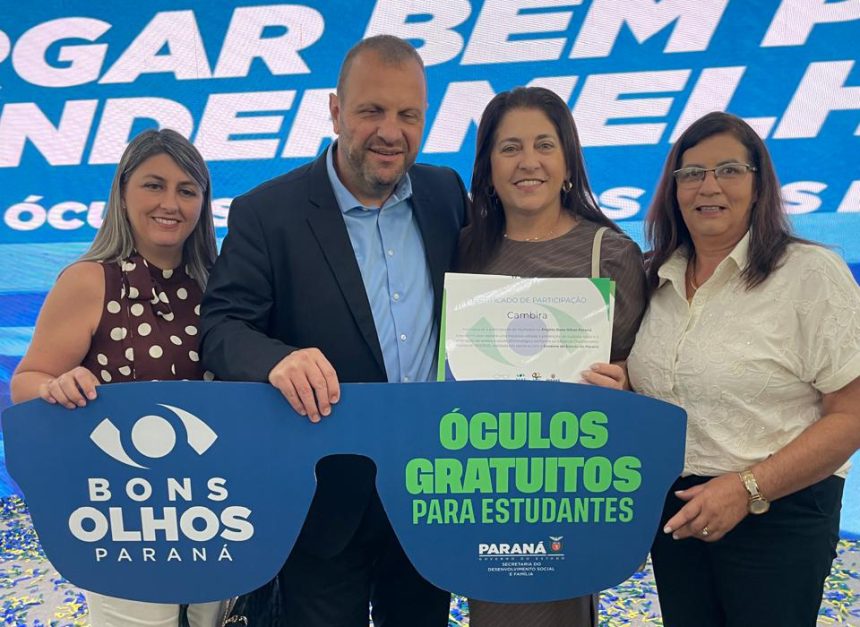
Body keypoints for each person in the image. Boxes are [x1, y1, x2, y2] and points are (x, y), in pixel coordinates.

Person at [199, 35, 469, 626]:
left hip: (432, 490)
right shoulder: (267, 212)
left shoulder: (447, 194)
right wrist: (275, 359)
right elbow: (221, 326)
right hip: (320, 502)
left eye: (409, 114)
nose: (391, 132)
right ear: (335, 110)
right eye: (372, 110)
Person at [603, 111, 860, 626]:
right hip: (676, 511)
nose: (709, 186)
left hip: (778, 513)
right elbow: (664, 385)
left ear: (759, 184)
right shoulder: (653, 276)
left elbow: (851, 414)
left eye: (729, 170)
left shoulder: (810, 274)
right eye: (692, 173)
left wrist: (747, 488)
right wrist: (625, 386)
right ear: (674, 189)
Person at [9, 128, 222, 626]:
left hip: (216, 506)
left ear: (203, 203)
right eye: (154, 185)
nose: (170, 203)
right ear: (122, 192)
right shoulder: (89, 280)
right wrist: (54, 388)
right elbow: (27, 380)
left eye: (187, 190)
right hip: (124, 512)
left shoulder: (220, 282)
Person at [458, 86, 648, 625]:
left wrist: (625, 383)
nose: (528, 162)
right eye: (509, 147)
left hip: (568, 485)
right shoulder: (461, 249)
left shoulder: (610, 254)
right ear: (487, 167)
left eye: (544, 145)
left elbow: (645, 373)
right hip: (479, 485)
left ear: (568, 162)